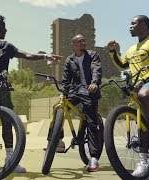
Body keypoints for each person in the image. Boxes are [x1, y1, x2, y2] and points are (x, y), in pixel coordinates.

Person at [0, 15, 61, 173]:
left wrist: (46, 56)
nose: (6, 30)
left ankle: (10, 159)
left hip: (3, 87)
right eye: (3, 27)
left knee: (7, 123)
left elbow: (26, 55)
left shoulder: (7, 47)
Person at [107, 15, 149, 176]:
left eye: (133, 23)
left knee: (144, 94)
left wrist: (143, 80)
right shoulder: (131, 49)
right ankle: (143, 162)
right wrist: (112, 51)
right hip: (137, 87)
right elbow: (122, 65)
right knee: (141, 124)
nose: (130, 26)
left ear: (144, 25)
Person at [47, 34, 102, 172]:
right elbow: (66, 79)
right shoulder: (70, 59)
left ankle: (94, 158)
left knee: (91, 121)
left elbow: (96, 69)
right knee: (58, 107)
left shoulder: (92, 55)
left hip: (90, 91)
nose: (83, 42)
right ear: (73, 44)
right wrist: (63, 92)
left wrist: (94, 83)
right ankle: (56, 142)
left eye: (84, 40)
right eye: (79, 41)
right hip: (77, 90)